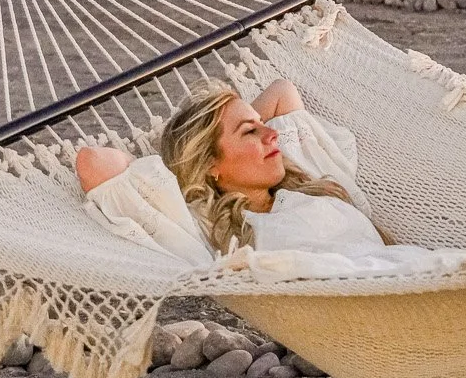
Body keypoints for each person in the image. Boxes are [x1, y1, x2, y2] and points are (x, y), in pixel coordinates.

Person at [75, 78, 390, 256]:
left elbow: (283, 92)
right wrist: (182, 164)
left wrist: (242, 123)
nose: (272, 133)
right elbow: (94, 162)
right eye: (251, 131)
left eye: (261, 123)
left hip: (413, 274)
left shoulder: (302, 172)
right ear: (210, 163)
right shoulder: (210, 232)